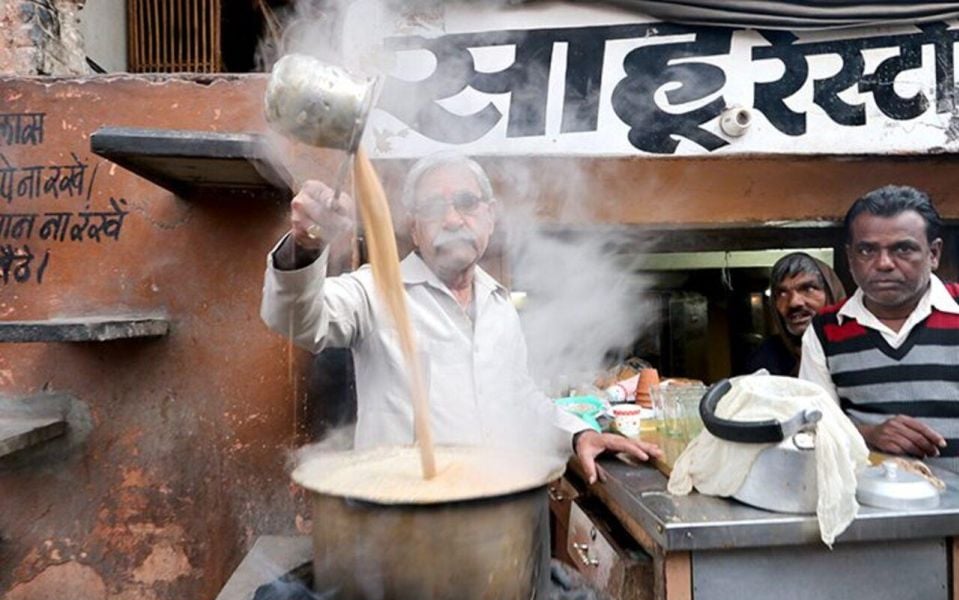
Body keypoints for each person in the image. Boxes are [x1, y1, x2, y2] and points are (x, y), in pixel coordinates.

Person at [260, 152, 661, 483]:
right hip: (403, 518)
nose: (452, 219)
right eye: (434, 208)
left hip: (494, 511)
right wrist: (305, 246)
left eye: (466, 204)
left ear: (488, 217)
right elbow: (296, 318)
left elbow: (519, 398)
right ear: (415, 230)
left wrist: (580, 434)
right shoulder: (375, 291)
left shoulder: (499, 304)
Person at [800, 184, 957, 461]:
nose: (884, 263)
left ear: (933, 254)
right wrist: (867, 434)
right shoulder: (825, 331)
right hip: (868, 501)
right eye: (866, 251)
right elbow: (812, 426)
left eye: (903, 249)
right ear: (850, 258)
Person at [744, 252, 845, 376]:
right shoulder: (765, 358)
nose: (793, 303)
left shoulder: (859, 345)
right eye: (782, 293)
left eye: (808, 288)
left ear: (830, 293)